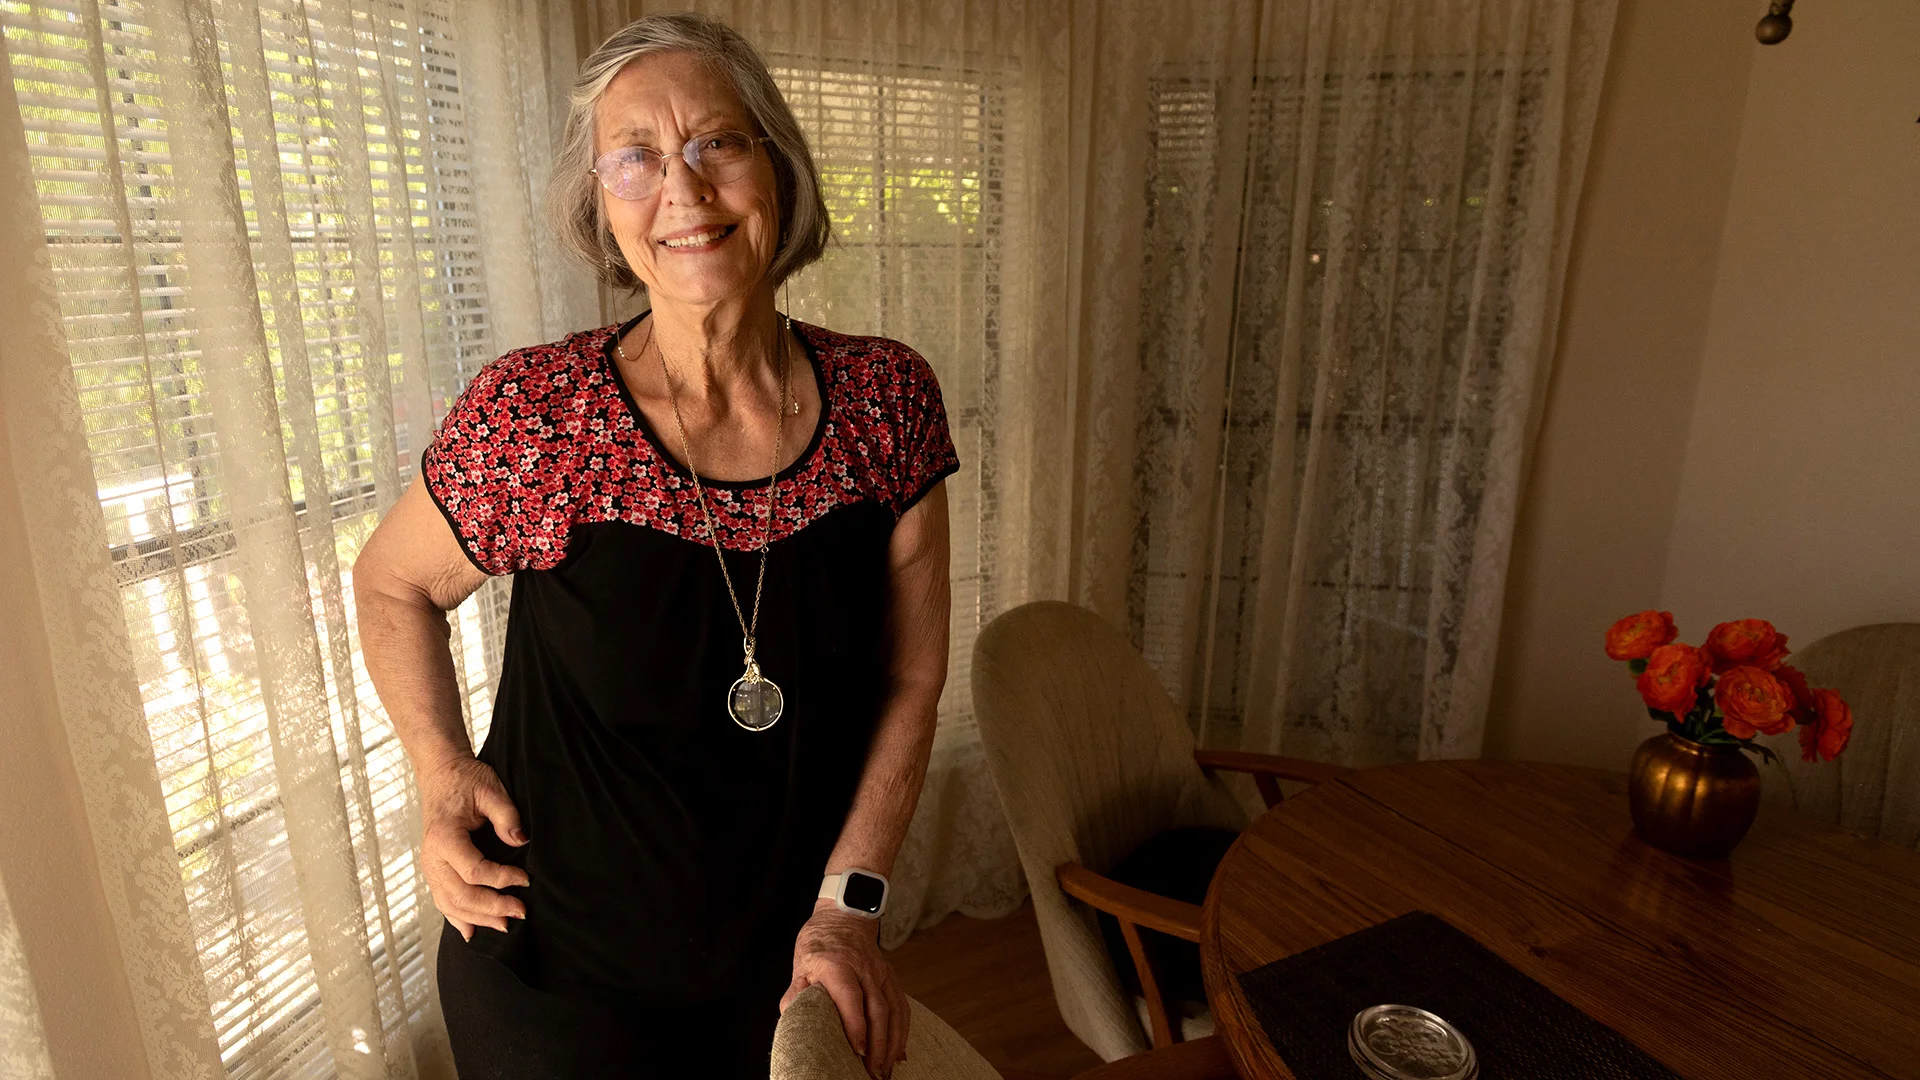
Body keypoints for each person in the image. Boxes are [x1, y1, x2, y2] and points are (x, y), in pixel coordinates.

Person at [353, 13, 954, 1079]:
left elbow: (910, 675)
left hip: (786, 965)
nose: (682, 189)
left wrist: (850, 906)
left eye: (717, 141)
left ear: (776, 164)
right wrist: (442, 777)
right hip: (553, 973)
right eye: (635, 158)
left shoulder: (886, 400)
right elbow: (391, 581)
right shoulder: (535, 415)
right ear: (600, 203)